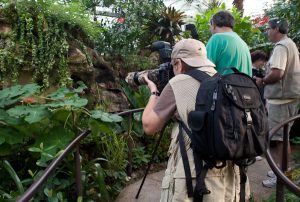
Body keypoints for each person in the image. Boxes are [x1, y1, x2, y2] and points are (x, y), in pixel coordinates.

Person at [142, 38, 246, 201]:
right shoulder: (223, 79)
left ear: (178, 63)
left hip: (194, 175)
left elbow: (149, 126)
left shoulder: (178, 82)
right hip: (230, 172)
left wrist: (154, 92)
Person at [255, 18, 300, 188]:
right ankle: (283, 170)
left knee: (281, 139)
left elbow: (278, 73)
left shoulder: (282, 46)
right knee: (284, 137)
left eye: (268, 28)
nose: (267, 32)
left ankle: (282, 176)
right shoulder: (290, 44)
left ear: (277, 29)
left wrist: (262, 81)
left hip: (281, 100)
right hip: (288, 98)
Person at [206, 10, 252, 76]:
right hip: (244, 85)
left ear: (213, 24)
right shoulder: (243, 43)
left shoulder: (217, 38)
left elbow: (205, 68)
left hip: (224, 85)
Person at [251, 50, 269, 161]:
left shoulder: (260, 72)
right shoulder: (250, 70)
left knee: (259, 125)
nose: (263, 62)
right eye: (261, 60)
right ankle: (252, 151)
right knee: (253, 125)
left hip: (261, 102)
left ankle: (257, 150)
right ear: (256, 59)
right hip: (253, 102)